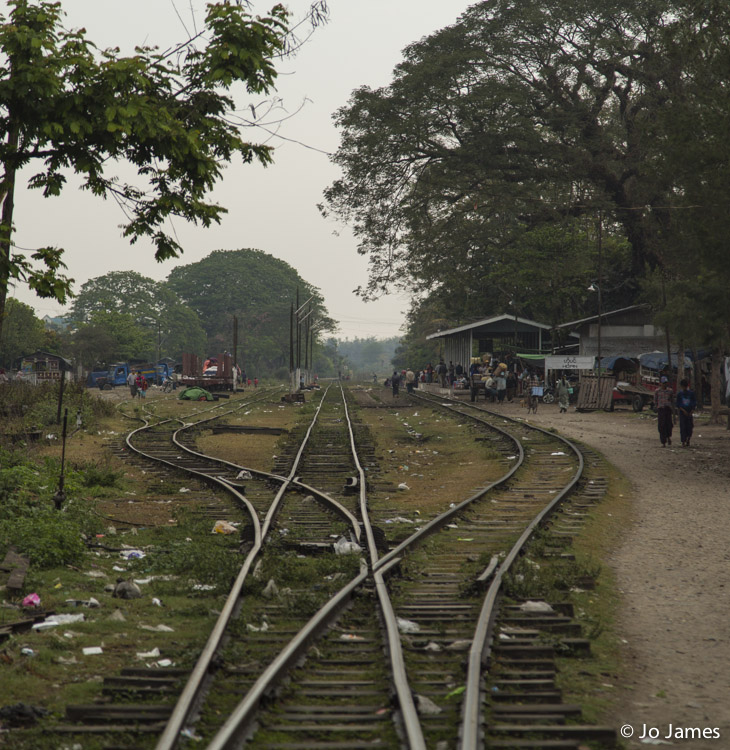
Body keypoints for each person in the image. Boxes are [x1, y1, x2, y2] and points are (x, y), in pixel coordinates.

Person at [653, 376, 675, 447]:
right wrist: (656, 406)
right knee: (661, 425)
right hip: (661, 409)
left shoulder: (670, 391)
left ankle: (668, 437)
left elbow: (672, 400)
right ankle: (663, 442)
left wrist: (672, 408)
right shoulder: (657, 391)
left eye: (666, 383)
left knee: (669, 424)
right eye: (663, 383)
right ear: (660, 383)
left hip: (668, 409)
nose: (665, 384)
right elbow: (655, 400)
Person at [676, 378, 697, 447]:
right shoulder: (680, 394)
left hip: (689, 412)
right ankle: (683, 441)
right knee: (683, 427)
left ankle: (688, 439)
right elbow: (678, 404)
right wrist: (683, 410)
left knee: (689, 427)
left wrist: (692, 411)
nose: (684, 388)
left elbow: (694, 403)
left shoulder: (691, 393)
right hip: (682, 413)